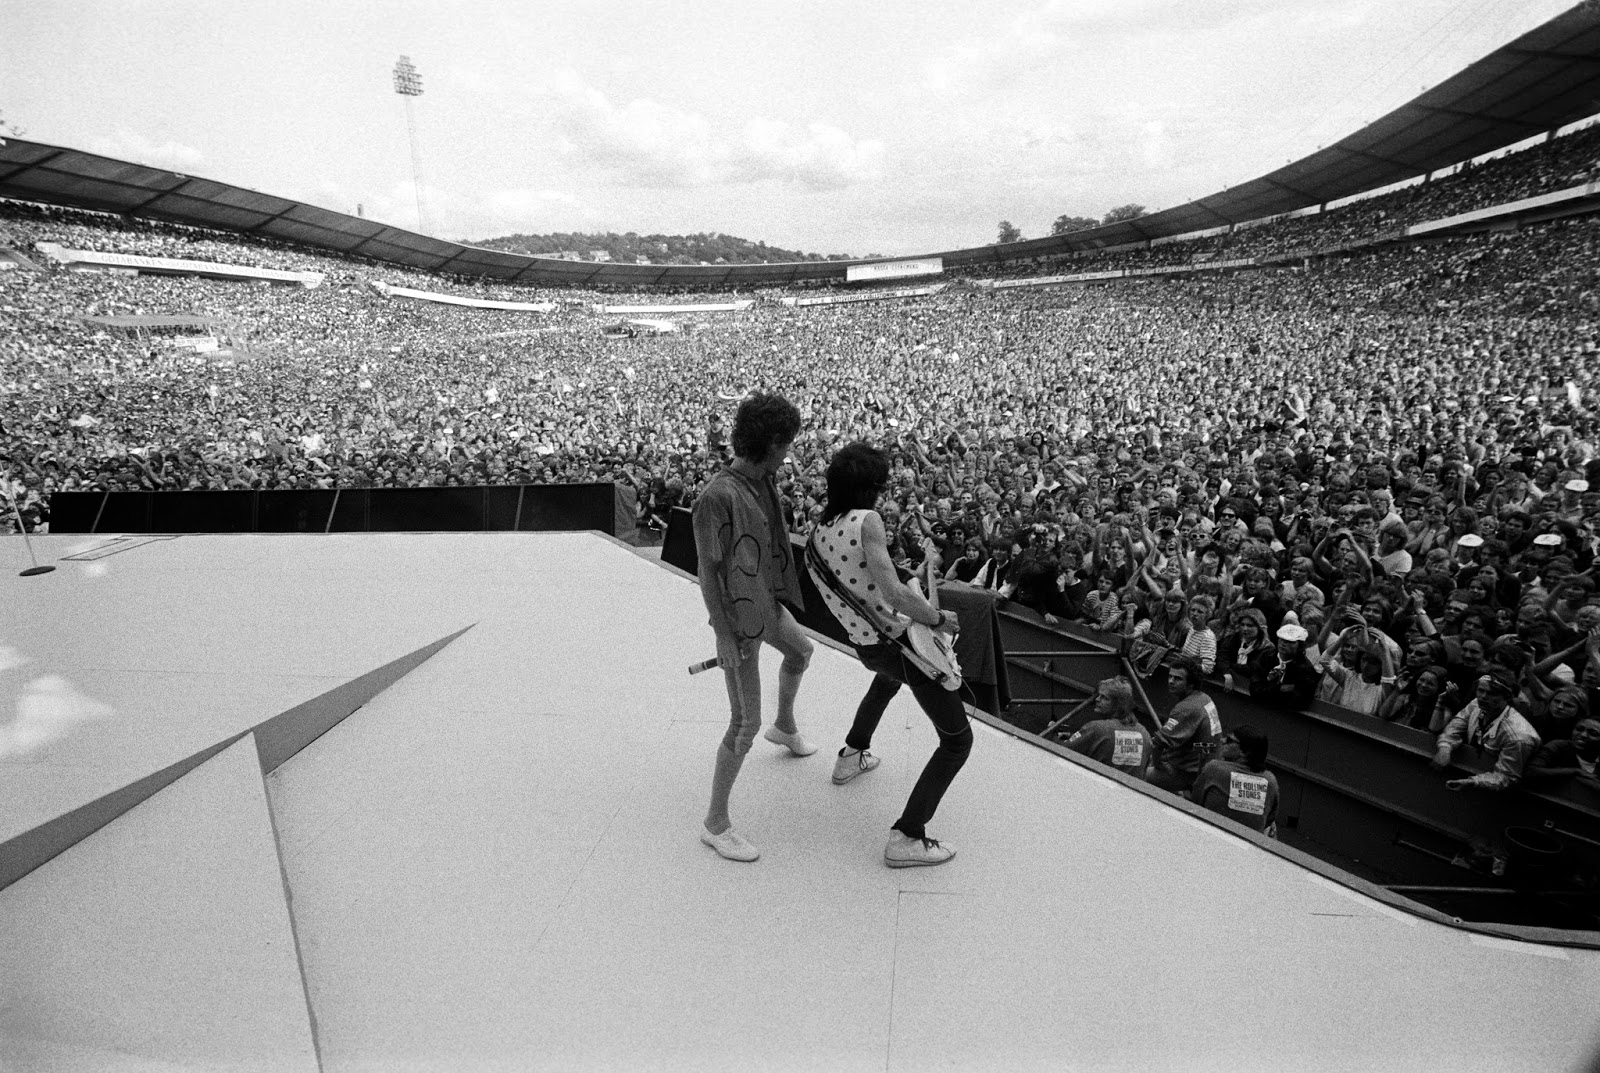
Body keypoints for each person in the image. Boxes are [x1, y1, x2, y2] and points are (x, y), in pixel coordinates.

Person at [807, 441, 972, 868]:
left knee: (884, 683)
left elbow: (858, 584)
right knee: (957, 741)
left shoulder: (817, 532)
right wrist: (937, 619)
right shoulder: (868, 521)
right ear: (872, 487)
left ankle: (851, 754)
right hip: (902, 646)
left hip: (869, 646)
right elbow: (892, 591)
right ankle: (908, 835)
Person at [692, 393, 814, 863]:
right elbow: (708, 571)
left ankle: (785, 727)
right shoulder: (716, 498)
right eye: (785, 444)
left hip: (767, 605)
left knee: (801, 653)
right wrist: (723, 636)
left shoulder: (765, 478)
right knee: (744, 723)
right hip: (739, 623)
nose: (789, 453)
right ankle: (715, 824)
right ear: (771, 443)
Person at [1431, 670, 1542, 792]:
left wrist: (1474, 781)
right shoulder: (1476, 704)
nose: (1483, 697)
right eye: (1481, 690)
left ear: (1506, 697)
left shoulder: (1519, 736)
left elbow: (1507, 776)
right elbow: (1454, 727)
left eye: (1491, 693)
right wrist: (1445, 748)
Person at [1145, 655, 1222, 794]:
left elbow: (1158, 743)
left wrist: (1158, 764)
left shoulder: (1187, 708)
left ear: (1191, 684)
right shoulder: (1204, 698)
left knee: (1136, 773)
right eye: (1170, 676)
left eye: (1178, 679)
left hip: (1187, 773)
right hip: (1202, 766)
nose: (1171, 681)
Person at [1190, 725, 1280, 836]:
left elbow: (1195, 803)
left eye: (1229, 740)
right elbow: (1269, 819)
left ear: (1245, 752)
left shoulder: (1214, 769)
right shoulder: (1270, 781)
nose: (1222, 741)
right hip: (1249, 844)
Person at [1065, 675, 1152, 779]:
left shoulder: (1096, 728)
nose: (1097, 699)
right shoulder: (1144, 734)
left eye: (1104, 698)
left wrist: (1053, 737)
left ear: (1118, 704)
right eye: (1099, 695)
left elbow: (1063, 751)